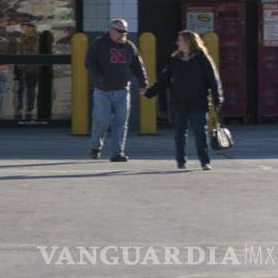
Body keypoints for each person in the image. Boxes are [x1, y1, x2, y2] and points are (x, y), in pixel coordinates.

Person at [145, 31, 222, 170]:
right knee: (179, 134)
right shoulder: (175, 60)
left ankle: (204, 161)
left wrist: (218, 99)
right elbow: (164, 80)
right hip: (180, 103)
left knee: (200, 133)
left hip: (199, 102)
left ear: (188, 42)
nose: (178, 43)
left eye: (180, 40)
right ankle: (181, 161)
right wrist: (149, 92)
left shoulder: (203, 59)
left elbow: (213, 81)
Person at [86, 19, 147, 162]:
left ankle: (117, 153)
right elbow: (89, 62)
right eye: (120, 31)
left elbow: (138, 65)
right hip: (103, 89)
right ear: (111, 30)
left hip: (122, 89)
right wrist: (99, 77)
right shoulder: (99, 44)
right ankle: (95, 147)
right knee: (101, 120)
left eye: (125, 31)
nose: (123, 34)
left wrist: (143, 84)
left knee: (121, 122)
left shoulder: (129, 46)